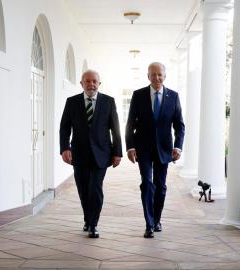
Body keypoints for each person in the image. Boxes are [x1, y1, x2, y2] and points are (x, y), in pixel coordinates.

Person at [59, 70, 122, 238]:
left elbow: (115, 129)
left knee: (95, 188)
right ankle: (87, 218)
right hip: (78, 153)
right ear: (81, 83)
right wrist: (65, 148)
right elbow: (64, 127)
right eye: (87, 81)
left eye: (94, 81)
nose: (91, 84)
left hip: (102, 154)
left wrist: (117, 152)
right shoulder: (71, 102)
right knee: (83, 189)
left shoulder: (108, 102)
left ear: (99, 84)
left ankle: (93, 224)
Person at [125, 62, 185, 238]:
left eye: (160, 75)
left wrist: (178, 146)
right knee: (147, 184)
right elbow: (130, 123)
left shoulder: (173, 96)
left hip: (165, 149)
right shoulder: (138, 95)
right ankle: (149, 224)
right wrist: (130, 147)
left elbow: (179, 125)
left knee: (161, 186)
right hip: (143, 148)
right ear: (148, 76)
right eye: (153, 74)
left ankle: (157, 219)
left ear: (164, 76)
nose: (156, 78)